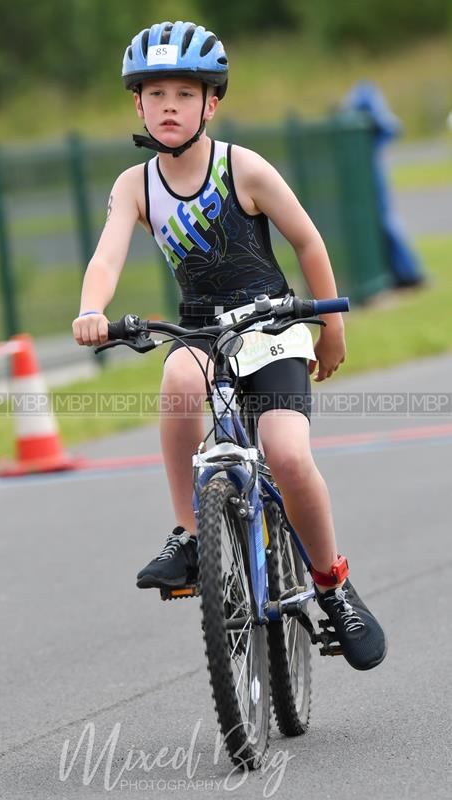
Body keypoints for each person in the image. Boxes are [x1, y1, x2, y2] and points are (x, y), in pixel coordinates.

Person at [72, 21, 387, 671]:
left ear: (210, 103)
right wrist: (90, 310)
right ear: (136, 103)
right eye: (153, 92)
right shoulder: (136, 185)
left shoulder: (241, 166)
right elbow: (106, 257)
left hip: (270, 324)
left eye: (183, 94)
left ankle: (332, 583)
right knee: (180, 382)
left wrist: (330, 330)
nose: (167, 105)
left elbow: (307, 242)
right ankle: (189, 532)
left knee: (286, 452)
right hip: (199, 327)